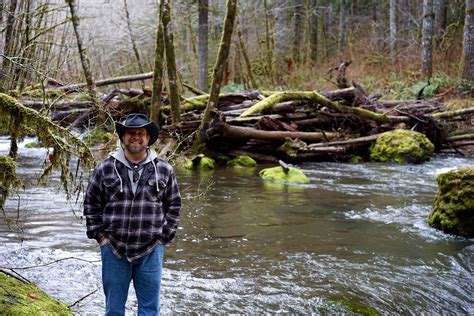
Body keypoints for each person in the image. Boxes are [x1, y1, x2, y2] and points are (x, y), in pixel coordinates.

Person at [84, 113, 182, 315]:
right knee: (113, 310)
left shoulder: (163, 169)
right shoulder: (105, 168)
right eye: (130, 133)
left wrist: (163, 239)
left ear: (148, 139)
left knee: (149, 309)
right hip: (113, 249)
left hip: (151, 249)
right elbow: (91, 204)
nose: (135, 137)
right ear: (123, 137)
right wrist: (101, 238)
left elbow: (174, 205)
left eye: (140, 133)